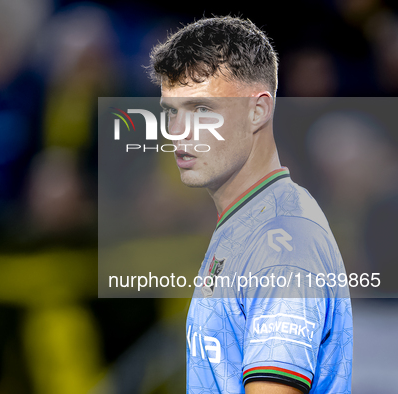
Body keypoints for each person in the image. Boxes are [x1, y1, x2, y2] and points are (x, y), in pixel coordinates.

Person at [148, 17, 353, 393]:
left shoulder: (283, 243)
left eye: (200, 109)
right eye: (172, 111)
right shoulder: (249, 221)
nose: (175, 131)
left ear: (258, 111)